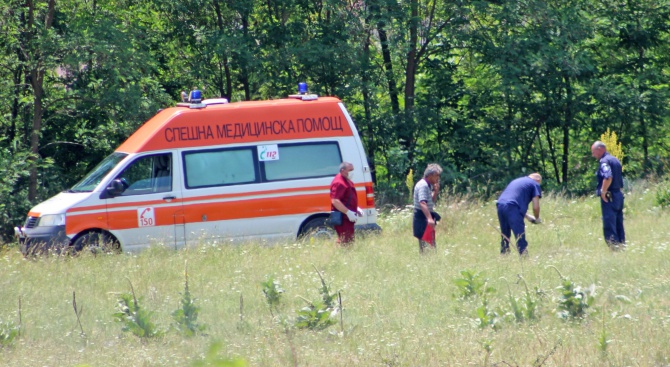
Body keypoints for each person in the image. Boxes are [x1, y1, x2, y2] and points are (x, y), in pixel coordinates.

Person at [496, 173, 542, 255]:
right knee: (519, 235)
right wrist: (537, 218)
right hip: (512, 206)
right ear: (538, 180)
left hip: (500, 204)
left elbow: (512, 202)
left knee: (505, 235)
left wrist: (527, 216)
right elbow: (536, 206)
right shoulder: (534, 184)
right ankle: (524, 257)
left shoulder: (518, 181)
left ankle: (504, 255)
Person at [591, 141, 625, 249]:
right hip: (618, 195)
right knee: (618, 222)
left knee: (609, 224)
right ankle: (622, 245)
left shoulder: (604, 161)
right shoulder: (615, 160)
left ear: (600, 149)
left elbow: (608, 177)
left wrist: (603, 191)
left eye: (594, 152)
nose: (593, 155)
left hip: (609, 196)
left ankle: (614, 247)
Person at [412, 164, 443, 253]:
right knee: (426, 247)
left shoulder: (428, 185)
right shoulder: (423, 185)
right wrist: (429, 219)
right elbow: (422, 203)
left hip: (425, 217)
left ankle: (430, 262)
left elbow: (430, 202)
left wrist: (435, 191)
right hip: (422, 218)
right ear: (430, 175)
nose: (438, 178)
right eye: (436, 175)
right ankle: (426, 263)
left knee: (431, 245)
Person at [330, 162, 362, 245]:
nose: (352, 172)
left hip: (347, 215)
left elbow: (347, 198)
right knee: (345, 240)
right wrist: (348, 212)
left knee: (349, 238)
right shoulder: (339, 183)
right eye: (350, 170)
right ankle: (344, 256)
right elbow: (335, 201)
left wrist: (356, 208)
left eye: (353, 170)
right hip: (343, 216)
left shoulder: (347, 180)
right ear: (342, 170)